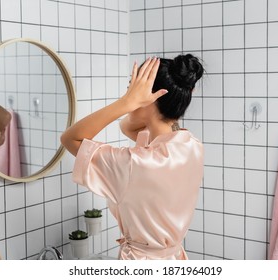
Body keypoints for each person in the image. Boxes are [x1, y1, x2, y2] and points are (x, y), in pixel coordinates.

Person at [61, 54, 204, 260]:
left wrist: (125, 103)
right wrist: (138, 105)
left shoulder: (133, 163)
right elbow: (128, 127)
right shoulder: (191, 146)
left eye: (133, 87)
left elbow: (70, 138)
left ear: (149, 98)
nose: (129, 93)